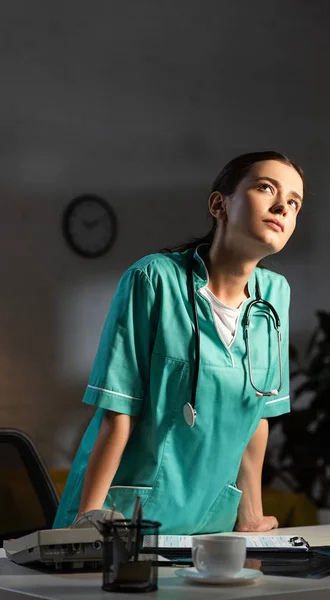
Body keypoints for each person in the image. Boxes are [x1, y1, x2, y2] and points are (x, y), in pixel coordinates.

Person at [53, 150, 304, 534]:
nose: (282, 207)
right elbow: (119, 408)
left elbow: (257, 416)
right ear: (219, 204)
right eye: (265, 188)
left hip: (209, 526)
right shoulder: (153, 279)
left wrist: (251, 516)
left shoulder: (275, 294)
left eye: (293, 202)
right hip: (123, 519)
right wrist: (88, 518)